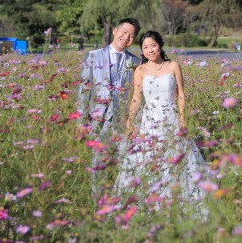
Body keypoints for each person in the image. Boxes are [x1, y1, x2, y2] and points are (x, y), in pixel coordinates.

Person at [115, 30, 208, 217]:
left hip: (171, 121)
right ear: (142, 50)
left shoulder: (173, 65)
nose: (150, 50)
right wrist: (130, 122)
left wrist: (182, 119)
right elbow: (136, 99)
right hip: (149, 124)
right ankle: (150, 208)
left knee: (174, 161)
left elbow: (180, 94)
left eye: (153, 46)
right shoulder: (140, 71)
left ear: (160, 45)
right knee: (149, 163)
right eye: (145, 47)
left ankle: (177, 206)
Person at [76, 17, 141, 196]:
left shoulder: (136, 62)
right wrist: (81, 124)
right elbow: (83, 91)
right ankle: (97, 207)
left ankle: (118, 206)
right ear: (115, 31)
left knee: (123, 168)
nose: (126, 37)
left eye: (132, 35)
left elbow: (138, 95)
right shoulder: (93, 56)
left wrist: (135, 122)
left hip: (122, 123)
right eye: (124, 32)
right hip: (98, 121)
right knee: (97, 168)